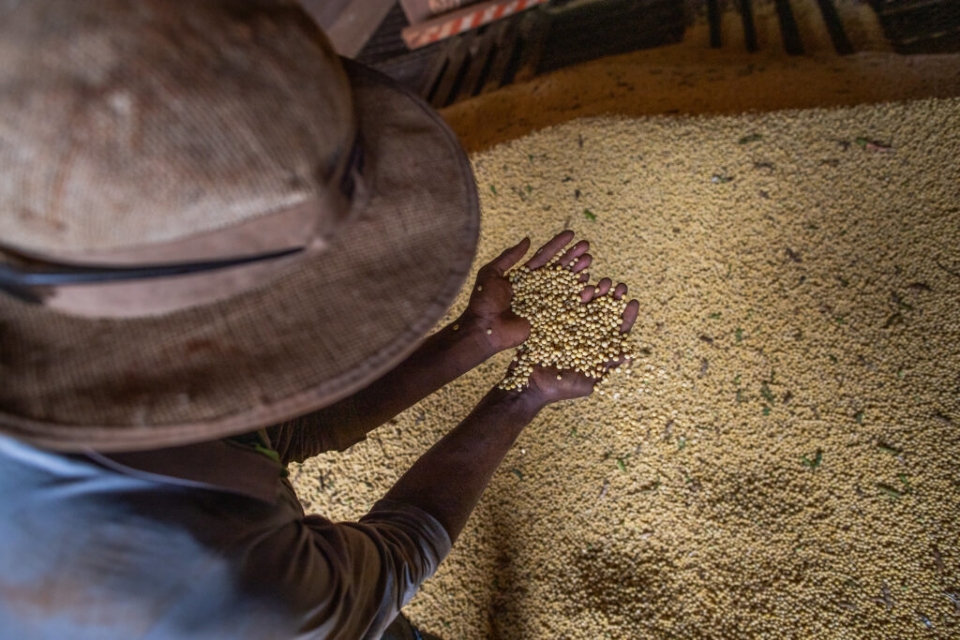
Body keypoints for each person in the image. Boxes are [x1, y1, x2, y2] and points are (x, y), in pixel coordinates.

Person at [0, 1, 639, 638]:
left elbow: (272, 432)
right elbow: (395, 559)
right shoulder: (218, 580)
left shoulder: (41, 210)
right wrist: (520, 399)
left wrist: (474, 340)